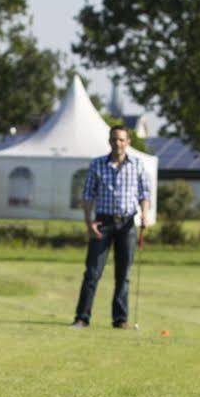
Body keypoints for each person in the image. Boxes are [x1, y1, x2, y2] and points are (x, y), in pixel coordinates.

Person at [71, 125, 154, 329]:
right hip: (102, 223)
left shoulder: (137, 164)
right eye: (114, 139)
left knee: (123, 275)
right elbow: (88, 194)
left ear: (128, 143)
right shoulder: (97, 165)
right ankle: (82, 318)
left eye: (121, 140)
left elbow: (145, 193)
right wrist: (88, 222)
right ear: (109, 141)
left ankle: (120, 319)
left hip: (127, 224)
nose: (118, 143)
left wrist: (144, 213)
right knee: (92, 272)